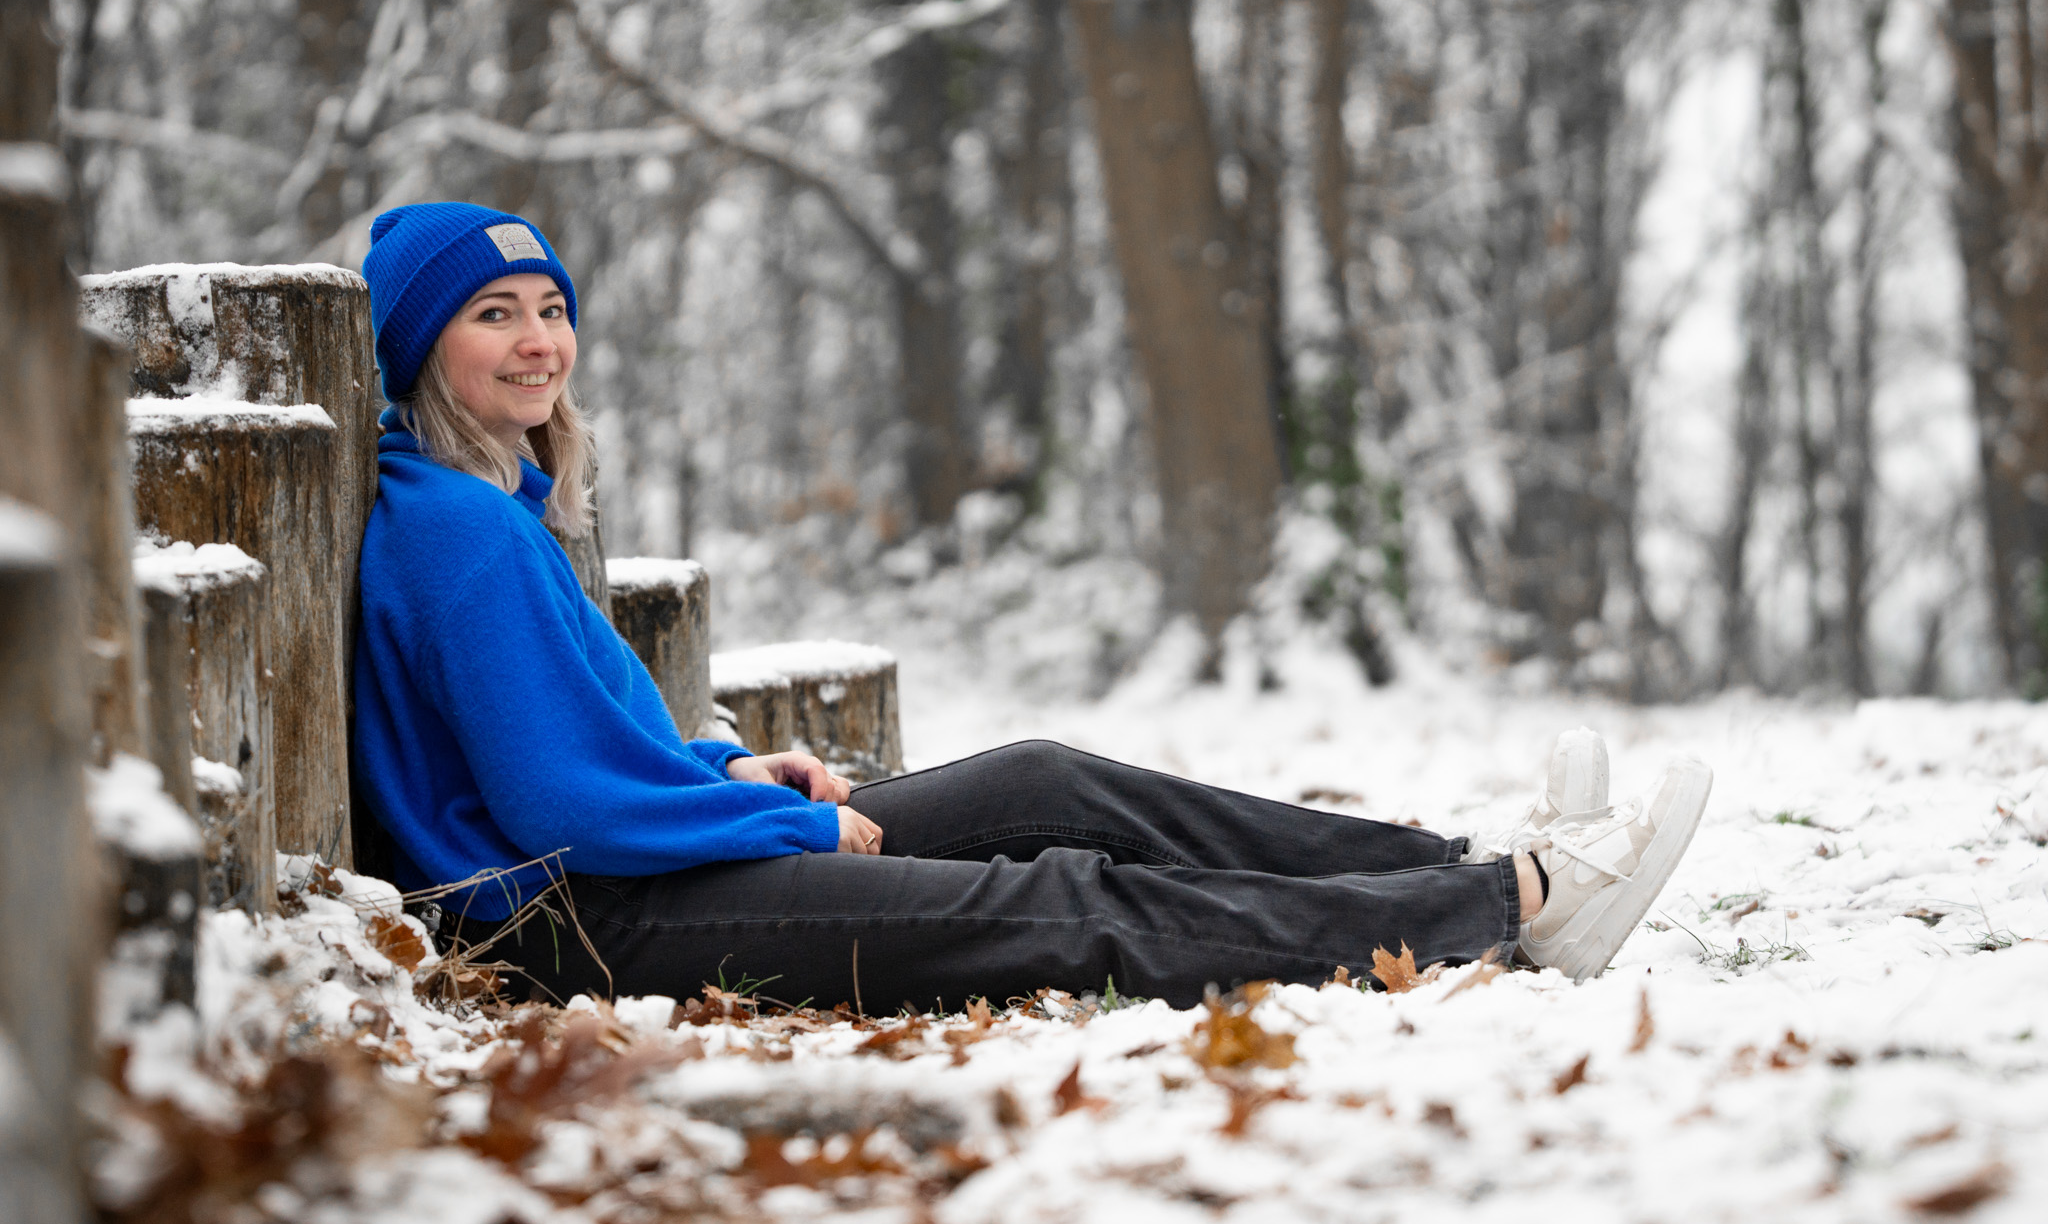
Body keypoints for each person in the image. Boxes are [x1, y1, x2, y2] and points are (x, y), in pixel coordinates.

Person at [351, 201, 1712, 1013]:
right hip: (585, 925)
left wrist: (725, 767)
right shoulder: (462, 530)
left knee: (1045, 777)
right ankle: (1504, 905)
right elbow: (556, 809)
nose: (538, 341)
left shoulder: (493, 504)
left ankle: (1457, 869)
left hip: (633, 867)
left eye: (549, 309)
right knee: (1052, 899)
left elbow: (587, 748)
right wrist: (787, 817)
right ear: (426, 346)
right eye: (492, 315)